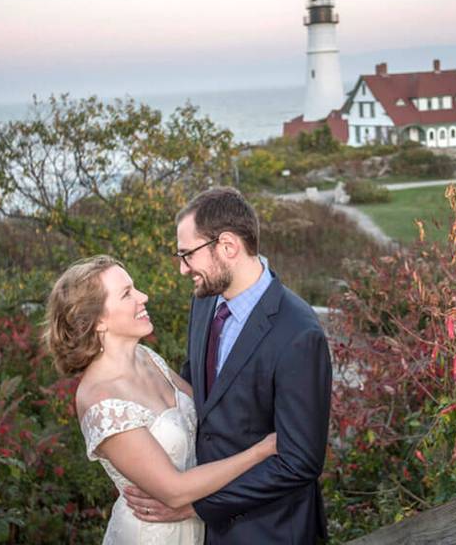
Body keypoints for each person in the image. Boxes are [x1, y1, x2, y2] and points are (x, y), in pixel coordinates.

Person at [123, 187, 333, 544]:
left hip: (272, 531)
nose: (181, 268)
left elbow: (299, 462)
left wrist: (197, 506)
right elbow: (203, 394)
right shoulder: (205, 303)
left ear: (228, 247)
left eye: (187, 255)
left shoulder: (299, 333)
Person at [44, 255, 278, 545]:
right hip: (150, 534)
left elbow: (207, 412)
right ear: (97, 321)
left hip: (193, 527)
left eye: (135, 288)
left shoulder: (148, 359)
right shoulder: (101, 401)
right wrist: (262, 450)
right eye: (127, 294)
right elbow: (175, 490)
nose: (143, 296)